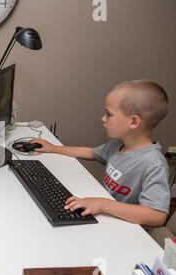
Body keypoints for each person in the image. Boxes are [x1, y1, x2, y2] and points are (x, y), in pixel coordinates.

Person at [30, 80, 170, 227]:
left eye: (109, 114)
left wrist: (103, 204)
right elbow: (91, 152)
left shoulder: (153, 164)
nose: (103, 118)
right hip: (105, 217)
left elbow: (157, 216)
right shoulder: (119, 144)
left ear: (133, 122)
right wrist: (53, 148)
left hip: (127, 229)